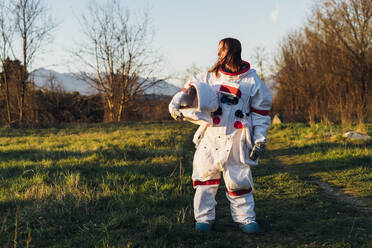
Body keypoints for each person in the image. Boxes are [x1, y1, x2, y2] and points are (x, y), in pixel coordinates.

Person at [169, 38, 272, 233]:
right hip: (210, 137)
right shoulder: (208, 77)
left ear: (232, 52)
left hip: (237, 138)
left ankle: (245, 218)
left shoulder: (252, 81)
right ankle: (204, 219)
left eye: (222, 50)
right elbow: (187, 91)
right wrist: (175, 105)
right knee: (205, 179)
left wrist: (260, 140)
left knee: (238, 180)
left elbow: (261, 115)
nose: (218, 54)